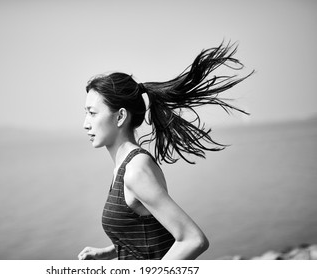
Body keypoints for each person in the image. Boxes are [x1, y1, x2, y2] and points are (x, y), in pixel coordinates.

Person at [78, 42, 253, 260]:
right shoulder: (124, 167)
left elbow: (193, 240)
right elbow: (148, 230)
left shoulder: (136, 170)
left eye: (92, 113)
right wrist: (109, 252)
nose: (85, 123)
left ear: (120, 116)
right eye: (85, 113)